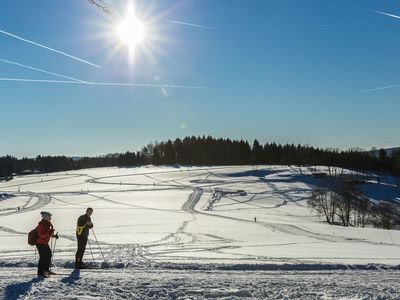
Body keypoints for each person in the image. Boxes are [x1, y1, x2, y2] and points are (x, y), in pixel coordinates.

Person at [36, 211, 58, 278]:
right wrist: (49, 233)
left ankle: (46, 270)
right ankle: (40, 272)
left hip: (44, 243)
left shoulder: (48, 224)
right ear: (46, 217)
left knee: (48, 255)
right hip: (40, 243)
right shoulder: (41, 224)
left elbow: (48, 234)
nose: (50, 218)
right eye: (49, 217)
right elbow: (41, 235)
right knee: (43, 257)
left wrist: (54, 236)